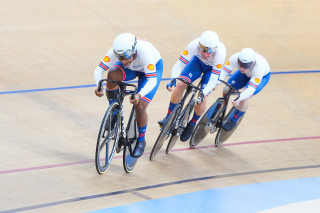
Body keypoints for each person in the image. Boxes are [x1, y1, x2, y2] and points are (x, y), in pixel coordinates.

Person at [94, 33, 163, 158]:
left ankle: (141, 140)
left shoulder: (145, 52)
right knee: (112, 74)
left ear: (134, 48)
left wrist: (139, 94)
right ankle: (114, 112)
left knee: (140, 106)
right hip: (133, 68)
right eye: (119, 57)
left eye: (126, 56)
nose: (123, 60)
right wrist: (99, 86)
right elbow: (99, 69)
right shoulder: (118, 53)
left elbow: (152, 80)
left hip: (151, 71)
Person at [158, 31, 226, 142]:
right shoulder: (193, 45)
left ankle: (192, 124)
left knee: (203, 97)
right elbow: (179, 64)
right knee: (180, 84)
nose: (205, 54)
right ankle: (168, 116)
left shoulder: (220, 53)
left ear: (215, 49)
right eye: (203, 49)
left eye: (209, 52)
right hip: (197, 63)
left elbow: (214, 78)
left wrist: (205, 92)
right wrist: (173, 81)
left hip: (211, 71)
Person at [218, 48, 271, 131]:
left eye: (246, 66)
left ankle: (234, 120)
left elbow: (250, 89)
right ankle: (222, 109)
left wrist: (240, 98)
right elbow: (224, 72)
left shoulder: (259, 67)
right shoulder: (235, 57)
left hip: (261, 77)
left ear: (252, 63)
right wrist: (216, 83)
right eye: (241, 64)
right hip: (246, 74)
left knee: (244, 98)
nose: (242, 68)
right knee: (226, 88)